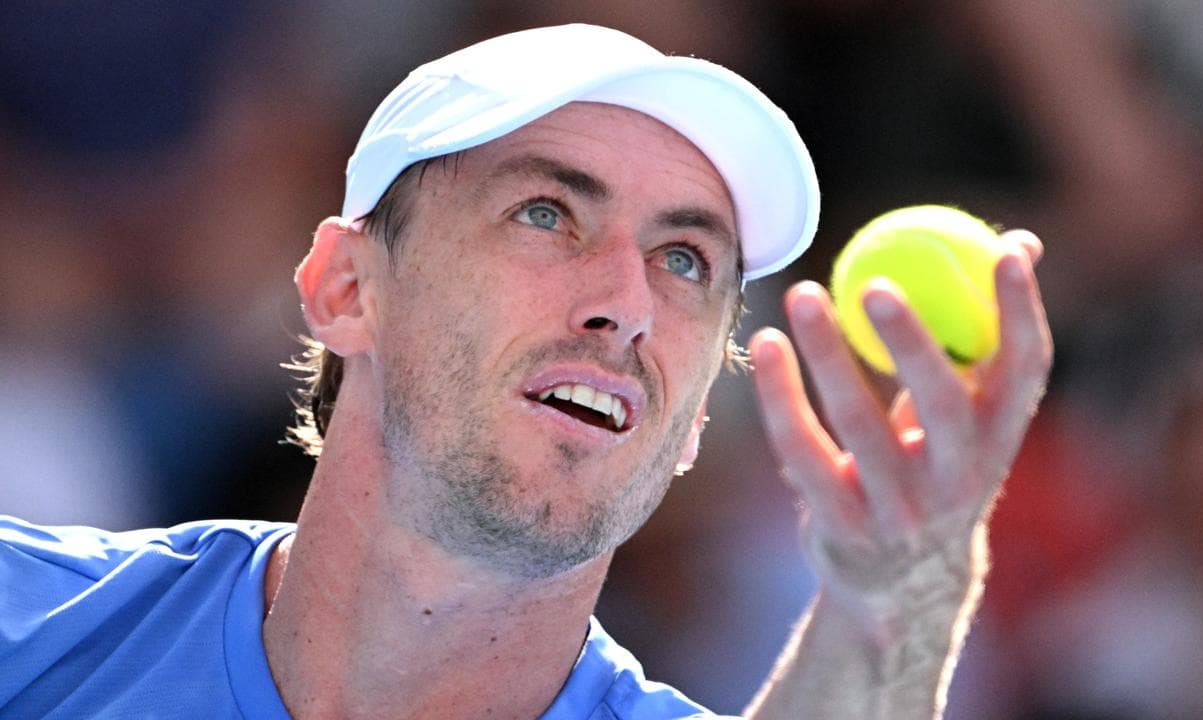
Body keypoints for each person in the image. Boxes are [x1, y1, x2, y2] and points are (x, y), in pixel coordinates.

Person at [0, 23, 1052, 720]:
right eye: (546, 213)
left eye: (683, 260)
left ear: (691, 421)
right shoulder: (30, 623)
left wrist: (890, 612)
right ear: (346, 289)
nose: (627, 304)